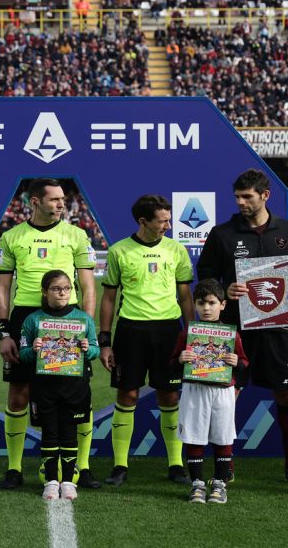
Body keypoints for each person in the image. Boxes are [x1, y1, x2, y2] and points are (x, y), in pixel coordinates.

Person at [196, 168, 288, 485]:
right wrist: (225, 290)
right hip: (236, 332)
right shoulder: (222, 234)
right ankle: (225, 466)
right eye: (237, 197)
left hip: (278, 331)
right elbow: (207, 276)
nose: (240, 202)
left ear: (265, 195)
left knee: (287, 396)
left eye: (247, 196)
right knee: (226, 397)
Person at [0, 179, 97, 490]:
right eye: (53, 199)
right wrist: (3, 333)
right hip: (26, 317)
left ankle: (82, 466)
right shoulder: (12, 237)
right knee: (19, 394)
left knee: (77, 394)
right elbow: (2, 288)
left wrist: (86, 328)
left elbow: (89, 287)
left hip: (70, 318)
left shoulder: (77, 234)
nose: (61, 204)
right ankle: (13, 468)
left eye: (63, 199)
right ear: (34, 202)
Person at [99, 195, 193, 486]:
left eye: (168, 218)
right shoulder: (119, 251)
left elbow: (185, 295)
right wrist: (105, 340)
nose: (168, 224)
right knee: (127, 395)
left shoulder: (176, 249)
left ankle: (176, 465)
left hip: (169, 331)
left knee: (170, 395)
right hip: (131, 331)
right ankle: (120, 466)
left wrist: (192, 335)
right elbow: (109, 297)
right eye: (162, 220)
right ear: (143, 221)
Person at [18, 270, 100, 501]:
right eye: (56, 289)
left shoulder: (83, 319)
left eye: (66, 288)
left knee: (70, 433)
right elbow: (23, 354)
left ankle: (68, 482)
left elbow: (94, 350)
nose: (62, 293)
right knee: (50, 433)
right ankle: (51, 481)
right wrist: (32, 349)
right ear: (44, 292)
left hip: (75, 386)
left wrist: (87, 348)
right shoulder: (33, 320)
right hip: (44, 386)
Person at [172, 279, 248, 504]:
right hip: (195, 389)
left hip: (223, 391)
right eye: (201, 303)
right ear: (194, 305)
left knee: (223, 436)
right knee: (195, 436)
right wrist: (180, 359)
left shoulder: (231, 335)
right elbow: (171, 363)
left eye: (212, 303)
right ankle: (197, 485)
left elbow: (244, 361)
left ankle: (219, 484)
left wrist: (237, 361)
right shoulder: (187, 333)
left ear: (222, 305)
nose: (206, 308)